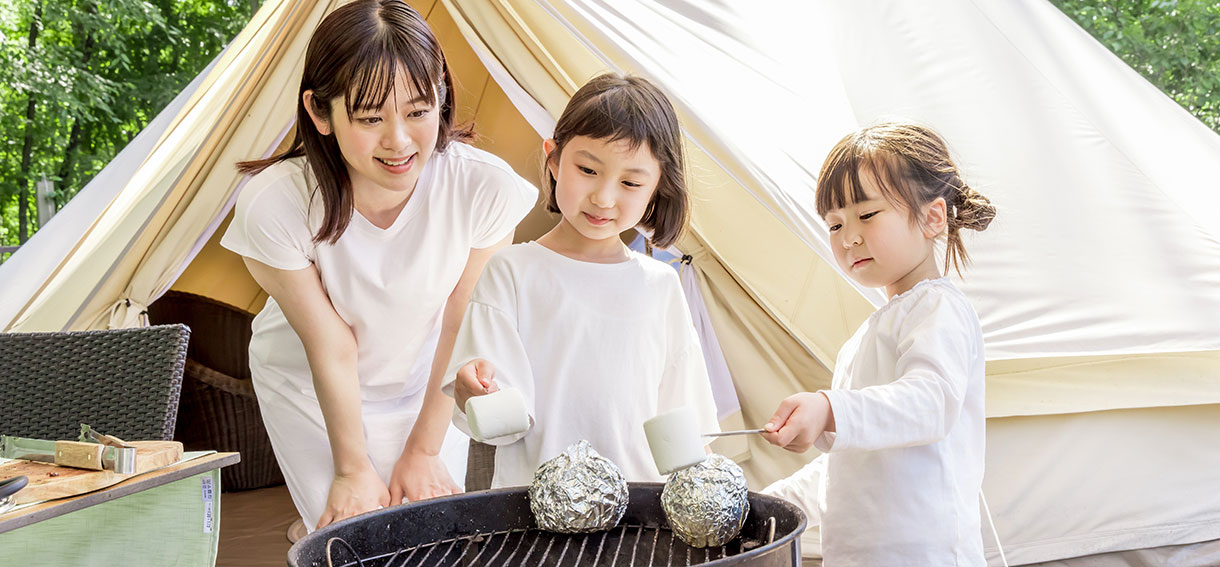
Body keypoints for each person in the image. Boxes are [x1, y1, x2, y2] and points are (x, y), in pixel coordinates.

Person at [220, 0, 536, 532]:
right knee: (348, 529)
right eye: (370, 118)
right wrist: (351, 469)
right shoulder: (274, 204)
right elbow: (331, 343)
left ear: (441, 97)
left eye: (418, 111)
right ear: (321, 113)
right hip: (308, 386)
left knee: (423, 537)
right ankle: (313, 522)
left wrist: (424, 449)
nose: (399, 141)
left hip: (428, 379)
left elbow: (461, 320)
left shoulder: (483, 187)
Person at [441, 73, 719, 488]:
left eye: (630, 182)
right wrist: (474, 394)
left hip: (636, 527)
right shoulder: (512, 272)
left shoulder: (660, 287)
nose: (604, 197)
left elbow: (684, 429)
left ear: (657, 187)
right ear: (553, 159)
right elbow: (503, 423)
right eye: (588, 169)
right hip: (534, 527)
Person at [760, 122, 996, 565]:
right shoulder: (867, 336)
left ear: (931, 217)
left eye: (867, 215)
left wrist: (829, 409)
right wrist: (766, 506)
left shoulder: (938, 308)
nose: (849, 237)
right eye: (834, 224)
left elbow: (931, 403)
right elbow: (850, 467)